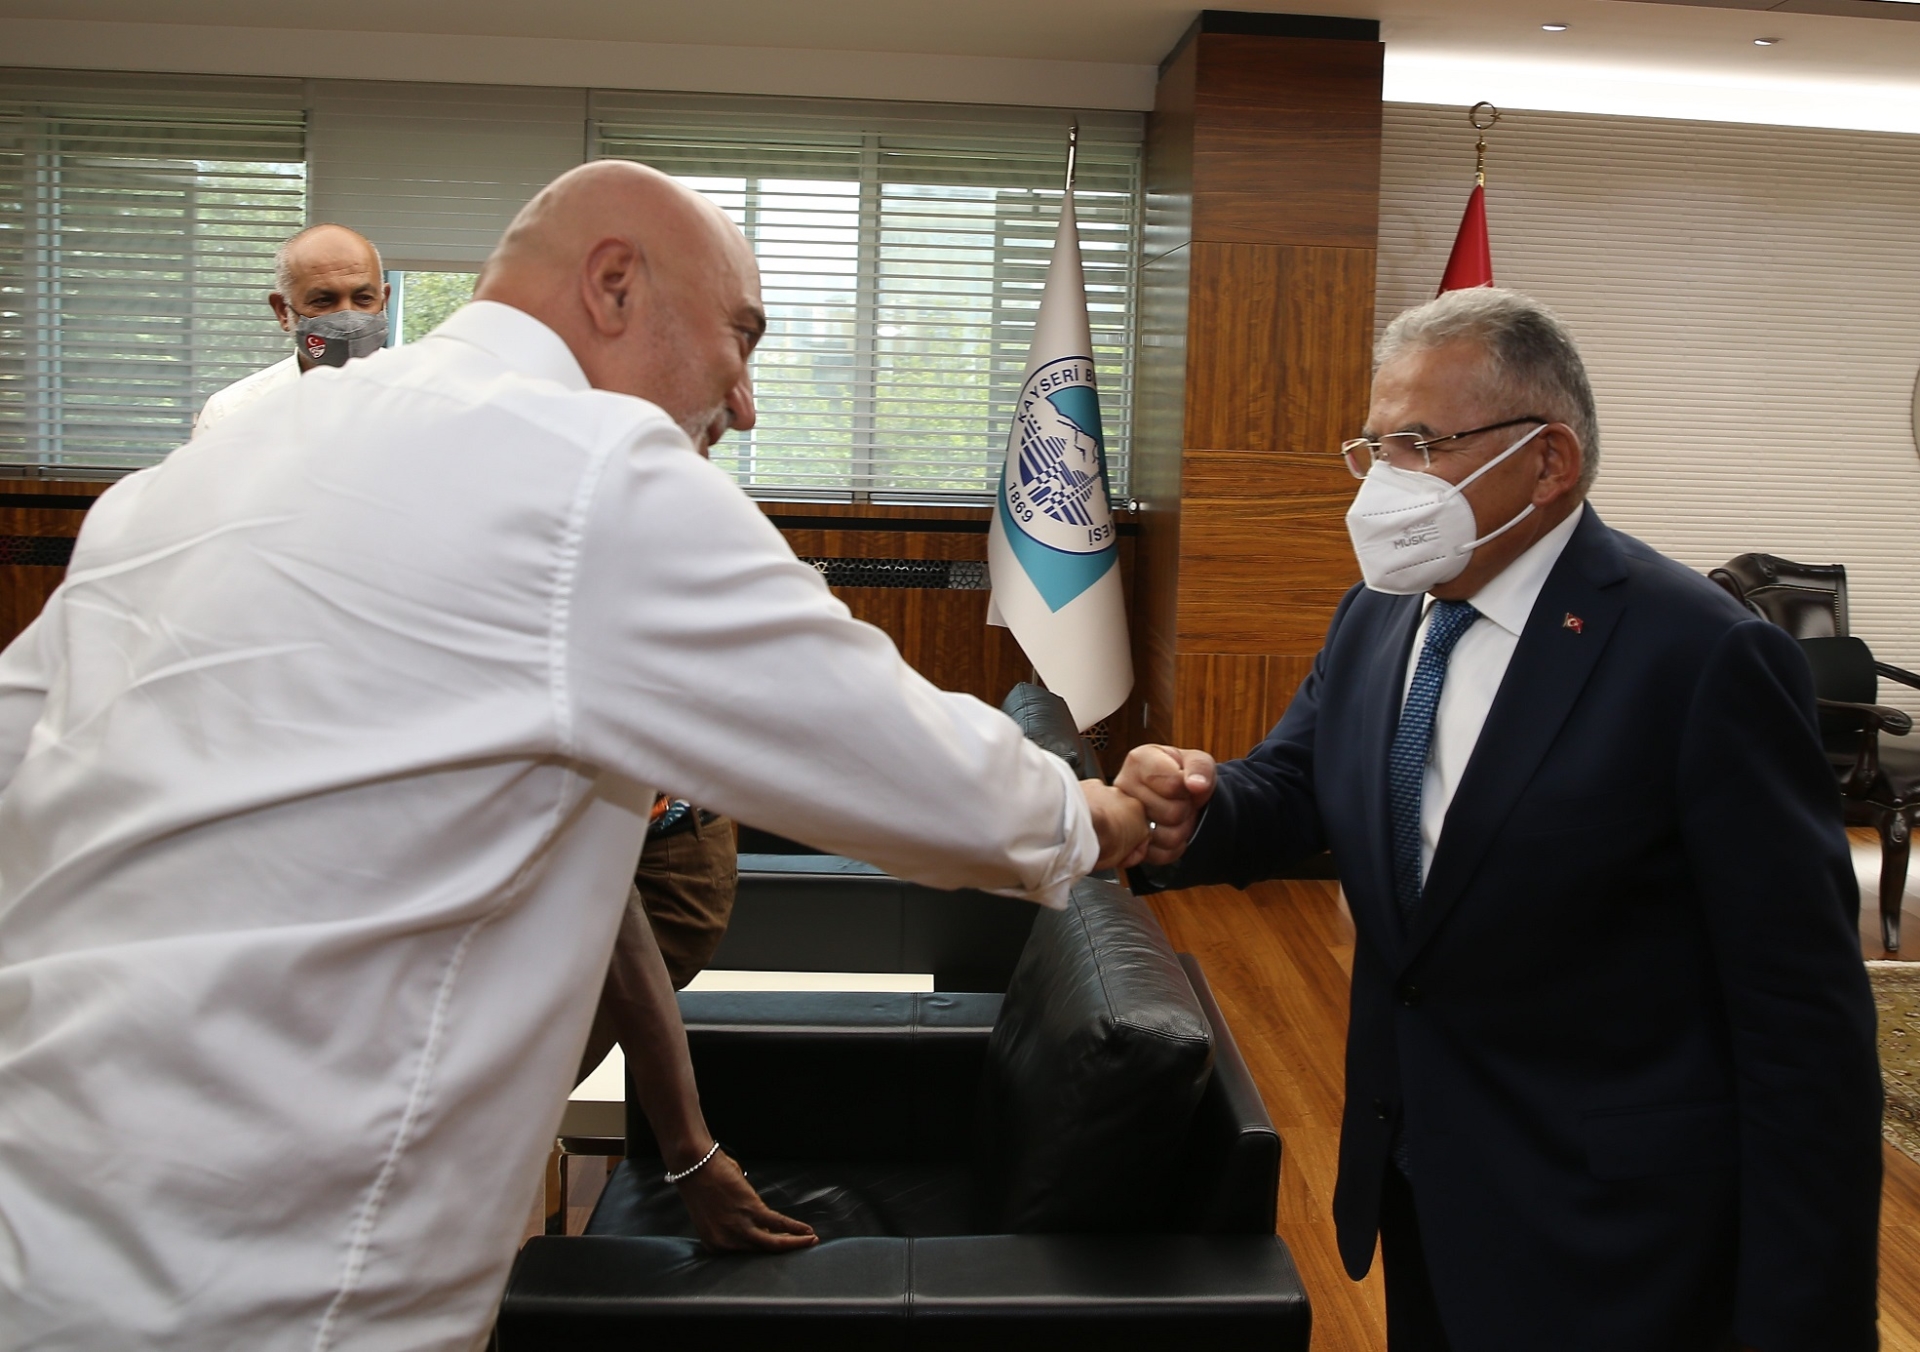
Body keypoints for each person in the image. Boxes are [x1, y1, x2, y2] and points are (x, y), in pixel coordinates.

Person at [0, 160, 1148, 1350]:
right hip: (254, 1290)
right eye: (740, 338)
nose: (746, 401)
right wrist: (1100, 814)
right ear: (613, 284)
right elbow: (912, 763)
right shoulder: (593, 470)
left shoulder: (182, 479)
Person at [1117, 287, 1881, 1352]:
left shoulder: (1703, 657)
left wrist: (1806, 1318)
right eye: (1375, 447)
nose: (1385, 482)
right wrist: (1191, 808)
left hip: (1618, 1236)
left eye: (1422, 445)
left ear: (1548, 460)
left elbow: (1803, 1023)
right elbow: (1296, 786)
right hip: (1421, 1183)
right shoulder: (1380, 611)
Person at [193, 223, 392, 435]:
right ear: (282, 311)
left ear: (384, 301)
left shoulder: (418, 402)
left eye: (363, 299)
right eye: (323, 301)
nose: (348, 317)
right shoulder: (231, 415)